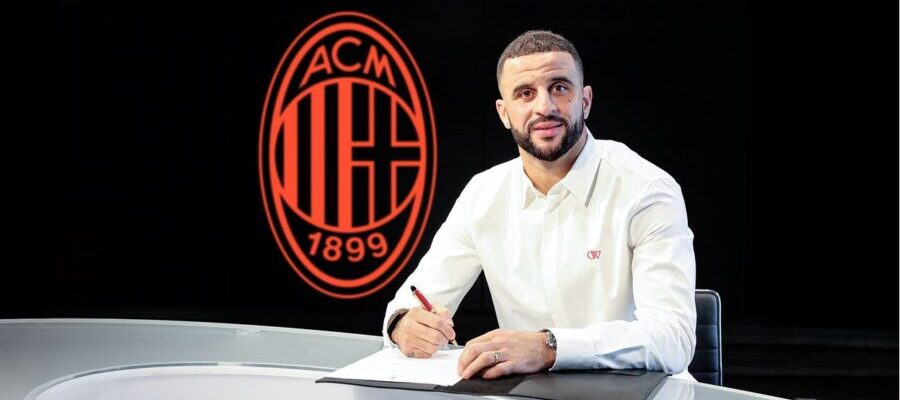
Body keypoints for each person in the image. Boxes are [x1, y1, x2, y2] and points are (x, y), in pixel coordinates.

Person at [382, 30, 697, 381]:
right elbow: (413, 299)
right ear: (504, 113)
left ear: (585, 101)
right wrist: (404, 325)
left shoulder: (646, 189)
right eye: (525, 93)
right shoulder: (482, 194)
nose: (545, 107)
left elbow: (673, 339)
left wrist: (548, 347)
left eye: (559, 88)